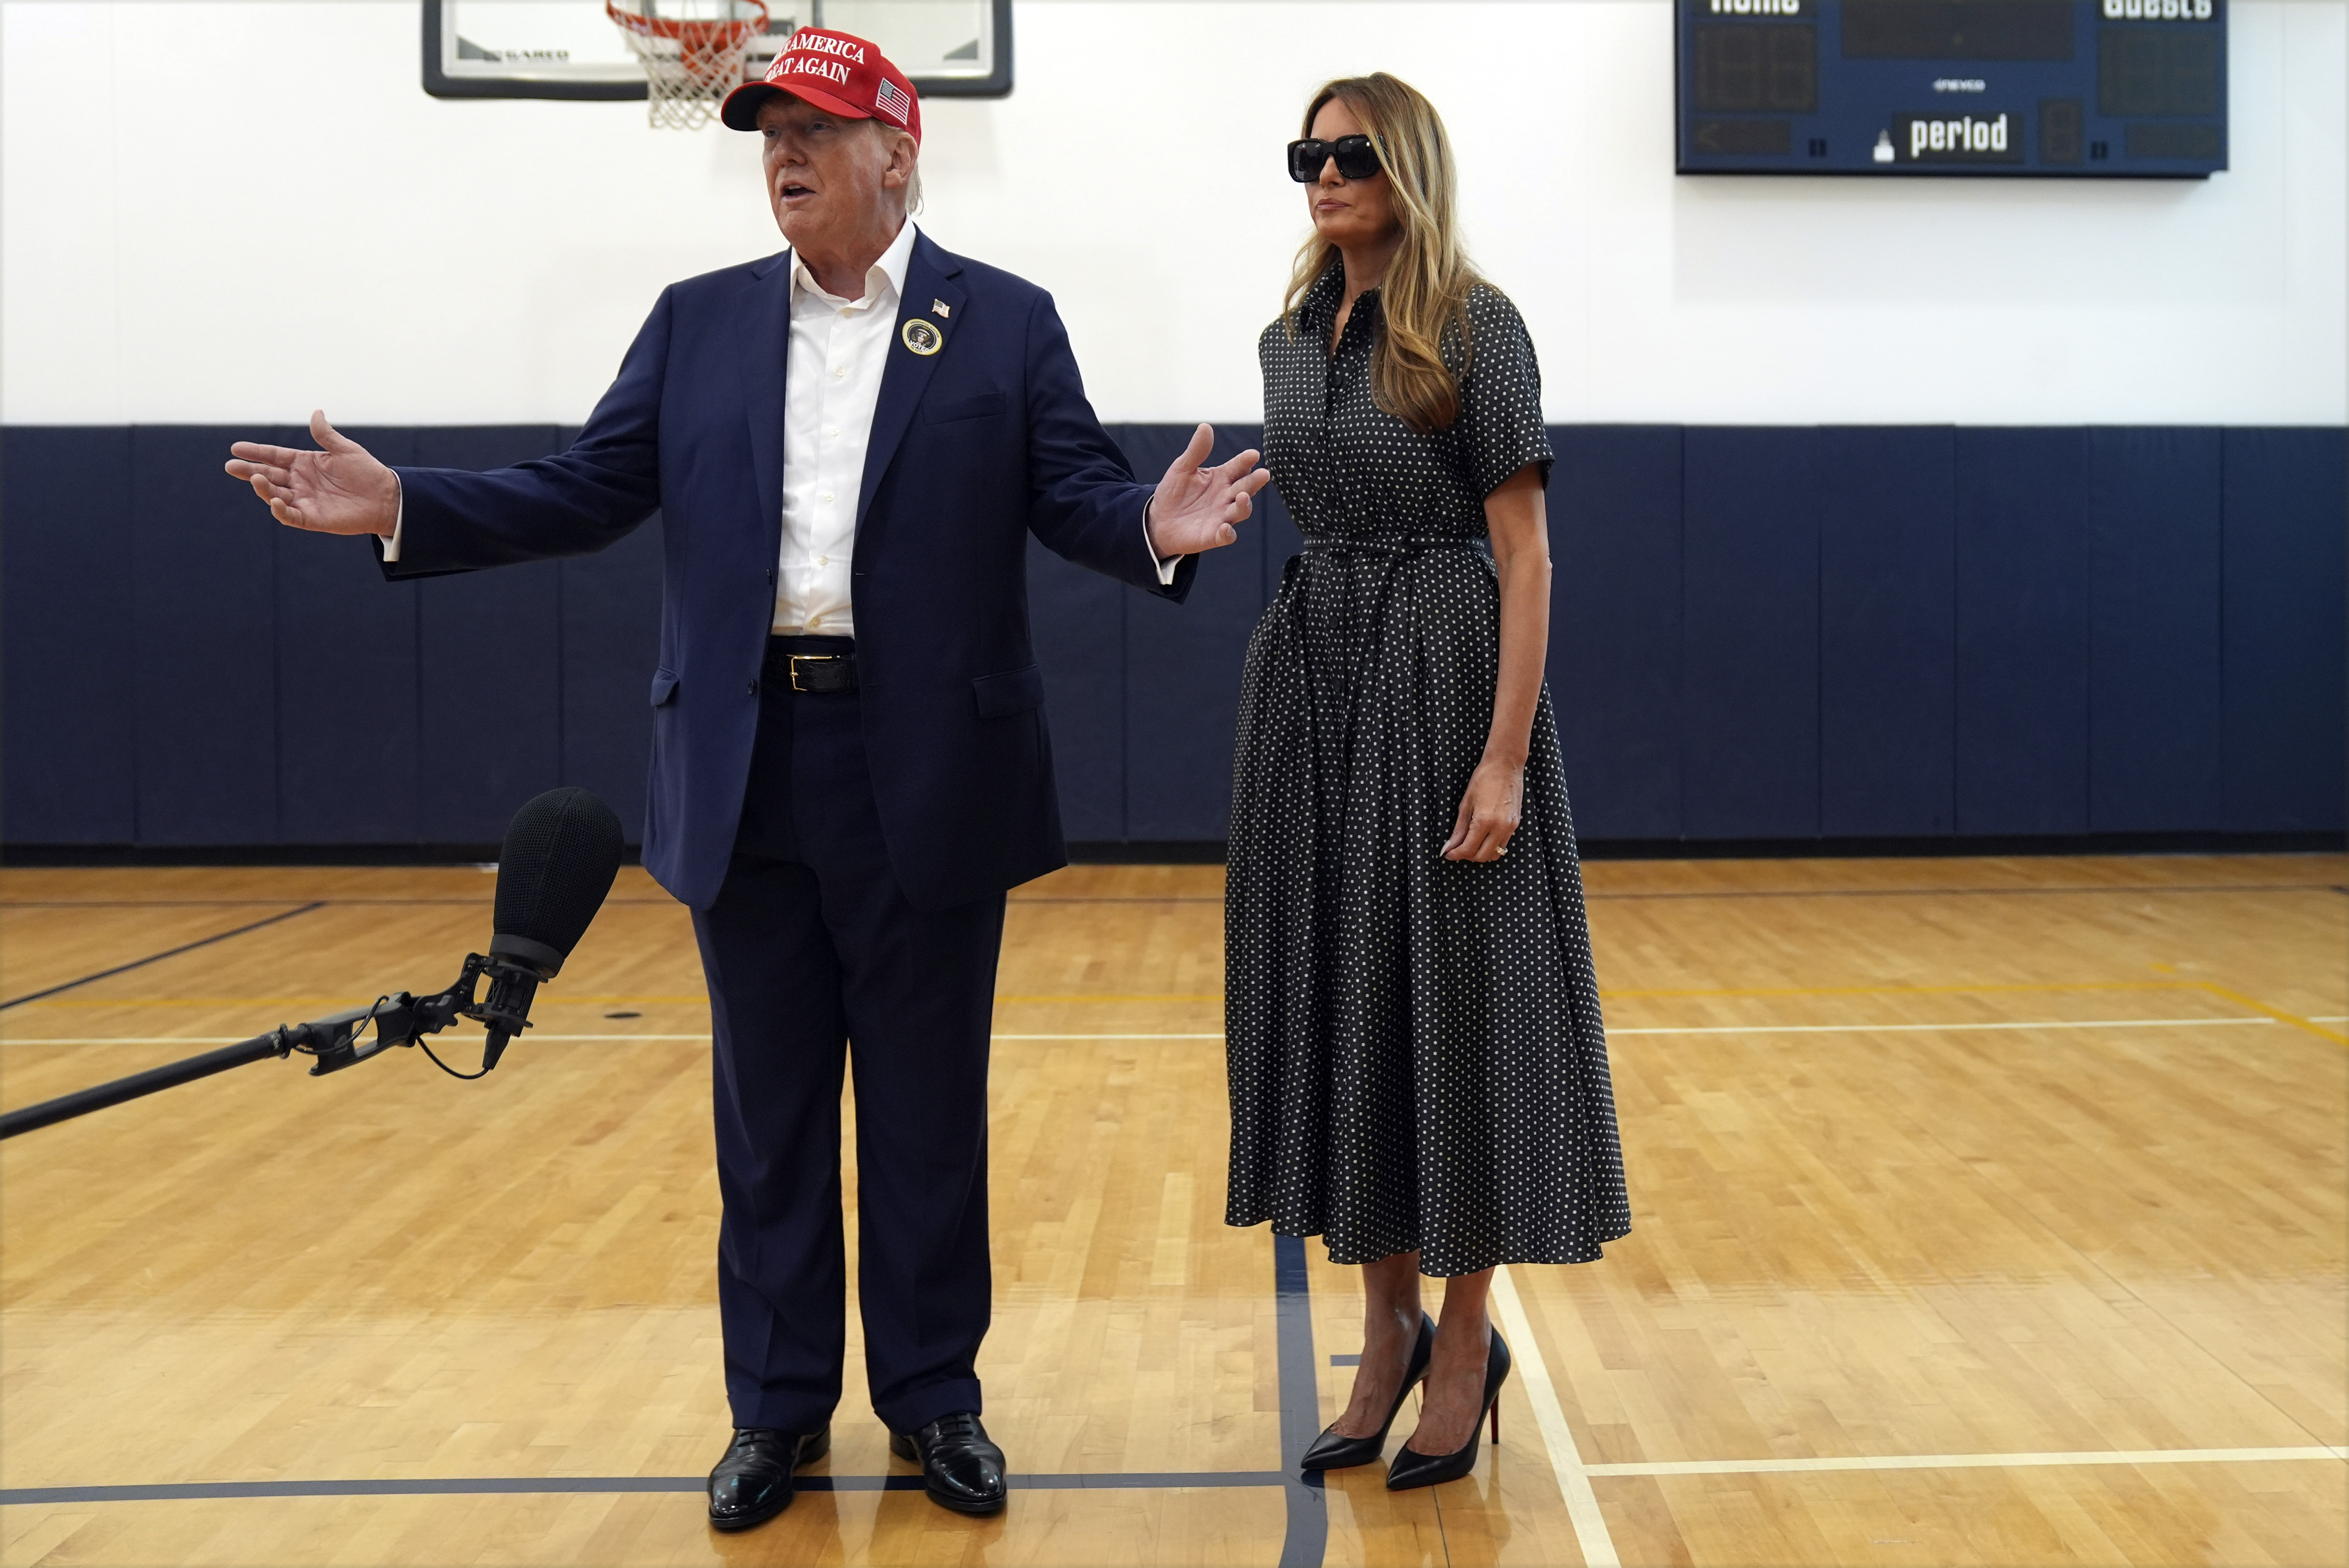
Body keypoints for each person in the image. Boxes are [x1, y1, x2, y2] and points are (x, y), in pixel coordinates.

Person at [225, 31, 1268, 1531]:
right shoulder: (698, 322)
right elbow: (585, 484)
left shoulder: (1005, 324)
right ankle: (774, 1412)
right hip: (744, 762)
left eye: (818, 132)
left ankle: (933, 1403)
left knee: (924, 1115)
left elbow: (1077, 496)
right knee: (767, 1118)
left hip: (926, 769)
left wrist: (1154, 531)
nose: (784, 156)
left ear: (897, 154)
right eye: (770, 133)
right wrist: (409, 505)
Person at [1222, 73, 1632, 1492]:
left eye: (1349, 156)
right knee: (1348, 998)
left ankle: (1466, 1339)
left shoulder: (1476, 322)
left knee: (1451, 1010)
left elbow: (1522, 555)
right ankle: (1382, 1327)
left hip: (1443, 670)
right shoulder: (1287, 333)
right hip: (1314, 677)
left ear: (1404, 167)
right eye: (1306, 156)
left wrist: (1504, 757)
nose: (1323, 177)